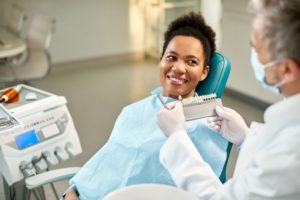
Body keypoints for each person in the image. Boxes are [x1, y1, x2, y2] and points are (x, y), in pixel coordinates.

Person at [64, 12, 231, 200]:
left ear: (204, 72)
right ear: (161, 60)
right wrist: (75, 190)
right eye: (172, 57)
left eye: (191, 61)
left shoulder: (207, 123)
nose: (178, 68)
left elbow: (203, 191)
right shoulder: (133, 111)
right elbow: (107, 160)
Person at [157, 0, 300, 199]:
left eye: (257, 50)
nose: (179, 68)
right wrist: (246, 139)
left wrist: (176, 138)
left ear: (286, 69)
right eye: (171, 57)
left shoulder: (293, 148)